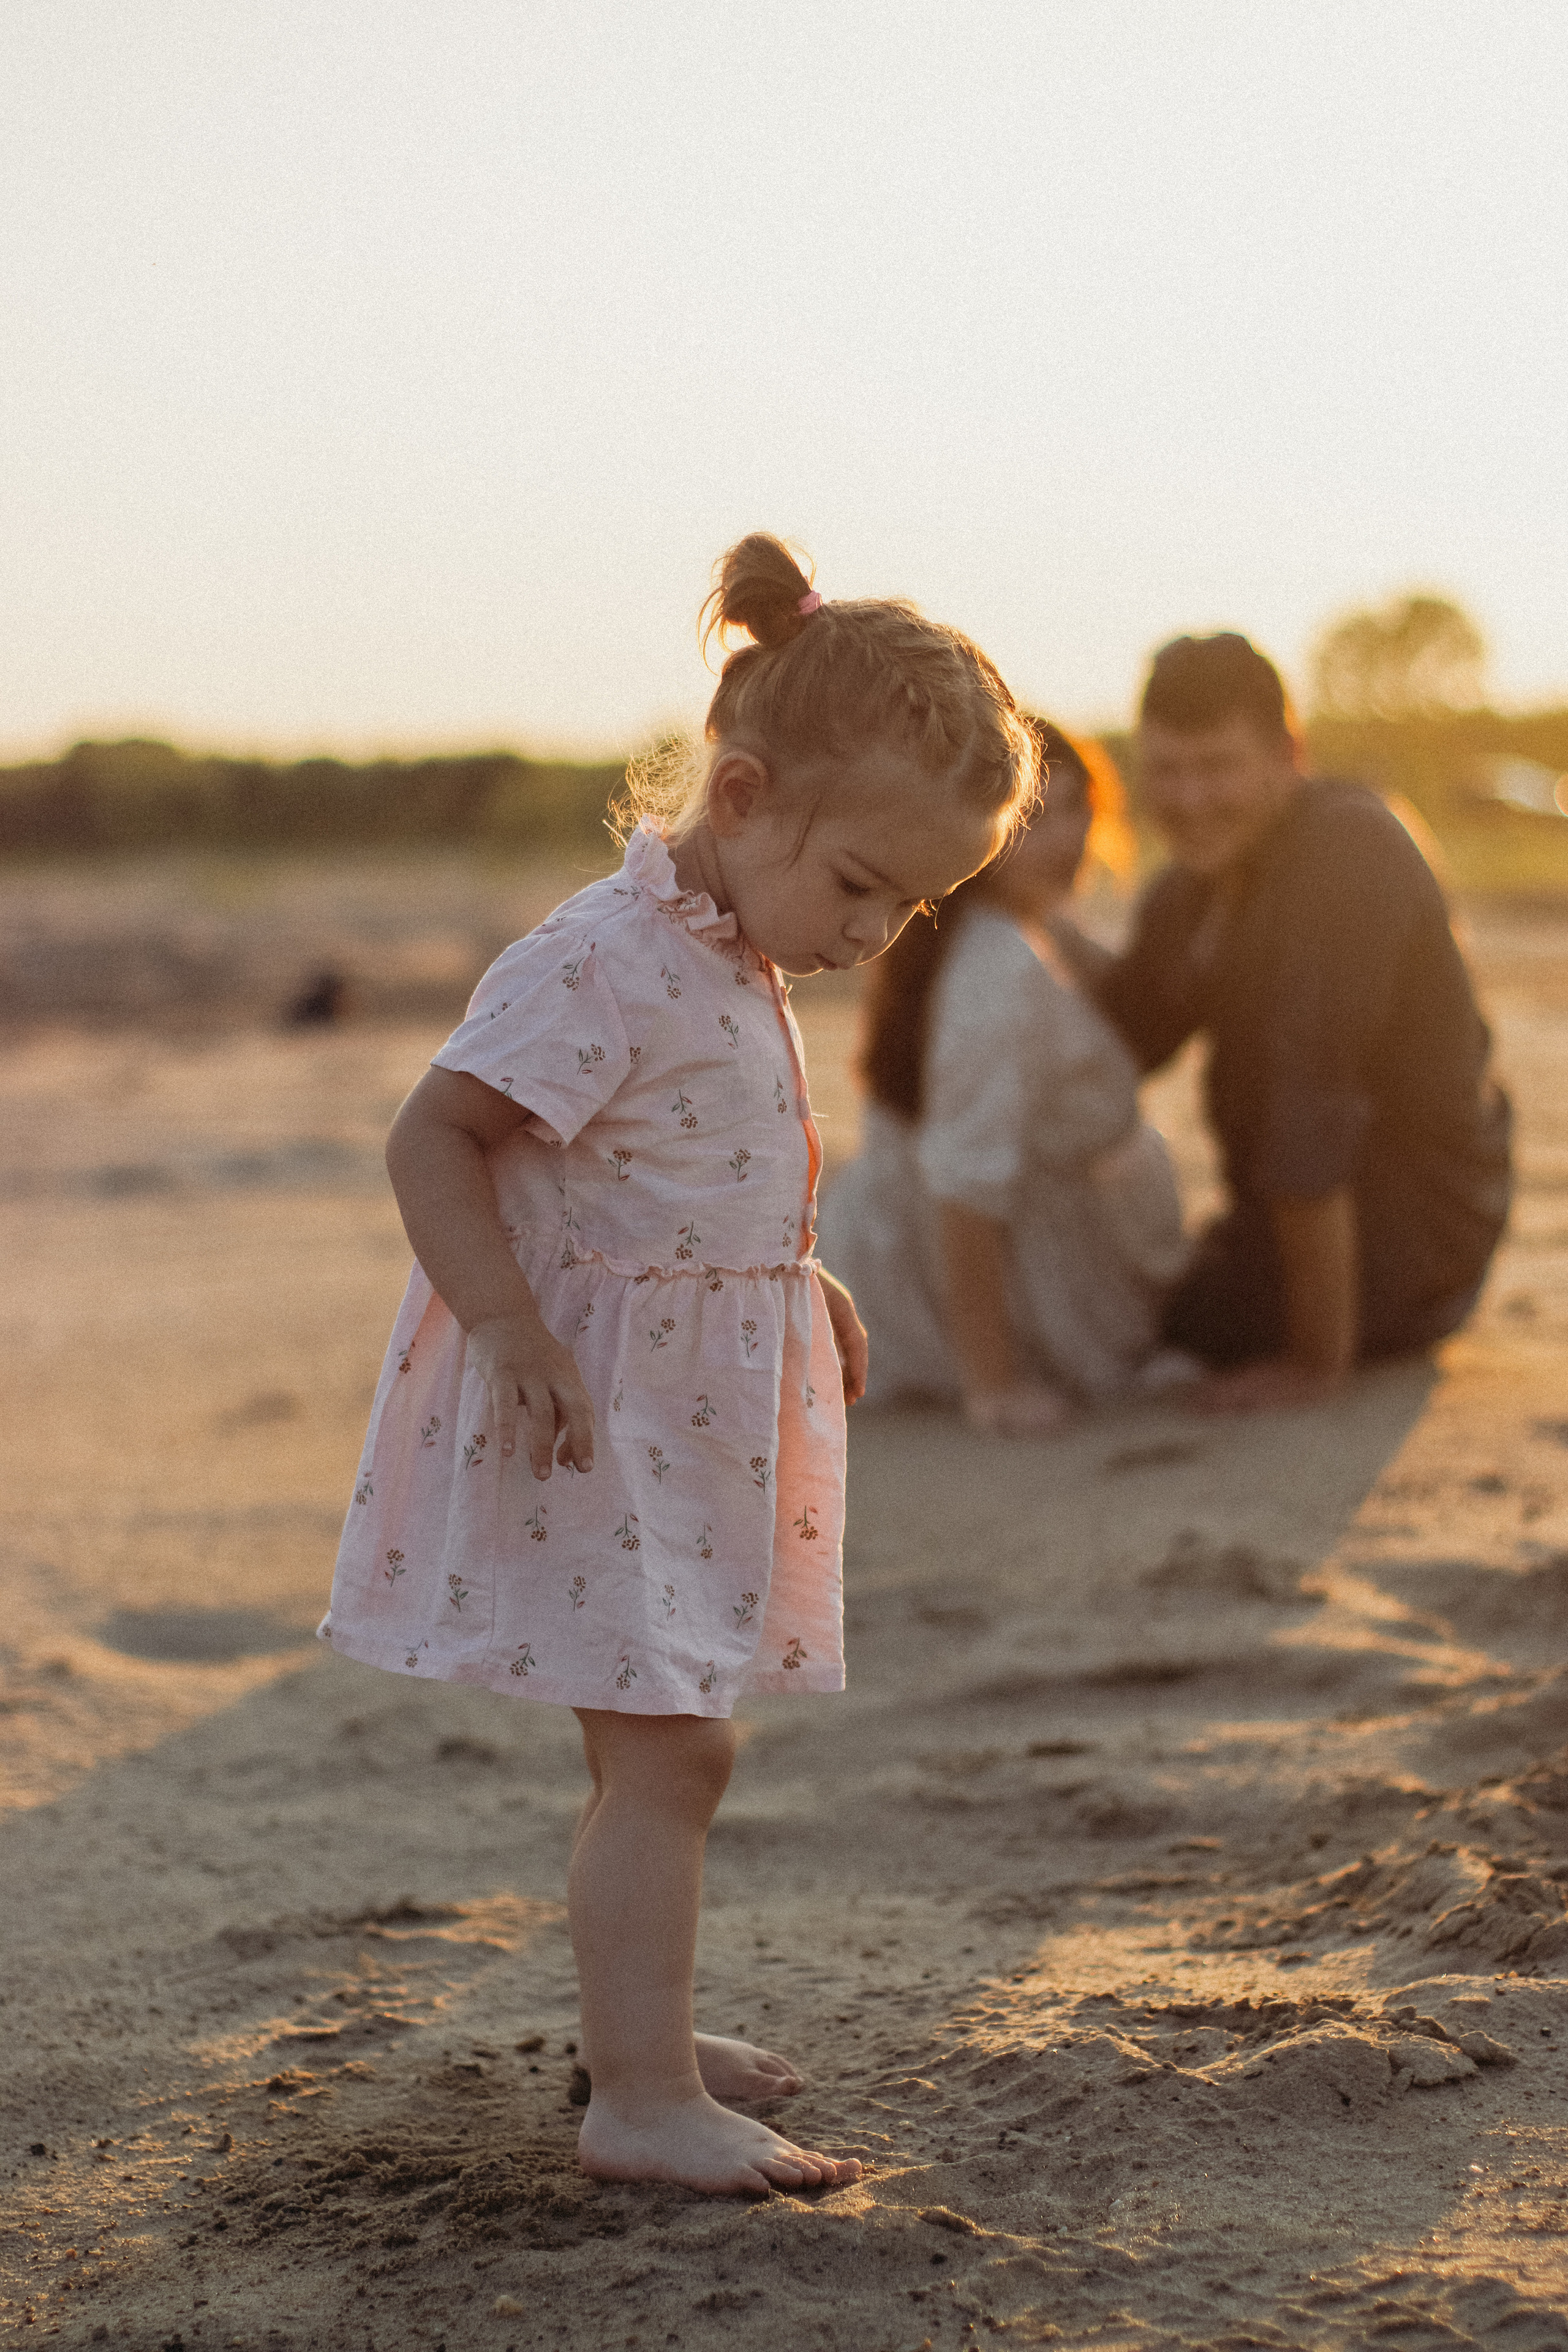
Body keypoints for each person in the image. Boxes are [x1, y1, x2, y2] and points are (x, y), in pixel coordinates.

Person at [317, 533, 1038, 2195]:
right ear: (739, 791)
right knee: (676, 1748)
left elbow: (672, 1169)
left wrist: (802, 1282)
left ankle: (640, 2014)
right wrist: (506, 1326)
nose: (874, 934)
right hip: (585, 1406)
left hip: (676, 1401)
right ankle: (639, 2097)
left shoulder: (728, 949)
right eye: (859, 886)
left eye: (911, 907)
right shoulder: (603, 955)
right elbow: (439, 1135)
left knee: (651, 1720)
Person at [1076, 631, 1511, 1415]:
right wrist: (1017, 924)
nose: (1191, 799)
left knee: (1137, 1327)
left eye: (1218, 767)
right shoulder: (1191, 889)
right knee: (1101, 1299)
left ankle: (1320, 1340)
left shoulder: (1347, 851)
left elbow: (1309, 1108)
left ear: (1288, 754)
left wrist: (1313, 1364)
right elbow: (1121, 1035)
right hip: (1280, 1221)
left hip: (1417, 1237)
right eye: (1168, 771)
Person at [816, 724, 1189, 1433]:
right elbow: (963, 1188)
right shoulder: (997, 967)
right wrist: (994, 1386)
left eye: (1078, 809)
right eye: (1032, 820)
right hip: (951, 1286)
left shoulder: (1031, 928)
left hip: (1025, 1250)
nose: (1066, 838)